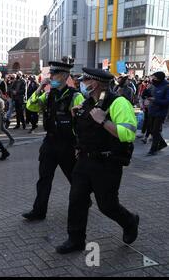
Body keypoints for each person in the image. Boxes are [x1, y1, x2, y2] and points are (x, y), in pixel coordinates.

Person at [56, 68, 139, 254]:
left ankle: (130, 221)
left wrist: (104, 121)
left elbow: (128, 134)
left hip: (107, 163)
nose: (81, 83)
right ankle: (75, 240)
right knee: (76, 200)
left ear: (94, 83)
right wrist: (74, 119)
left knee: (107, 205)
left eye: (84, 80)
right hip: (85, 161)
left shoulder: (118, 102)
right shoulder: (86, 104)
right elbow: (81, 133)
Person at [22, 59, 84, 221]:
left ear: (64, 76)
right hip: (50, 143)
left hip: (68, 145)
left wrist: (80, 146)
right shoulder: (48, 94)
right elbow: (31, 106)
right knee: (44, 178)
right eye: (51, 74)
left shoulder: (76, 97)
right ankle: (39, 211)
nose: (51, 77)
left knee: (74, 177)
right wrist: (40, 88)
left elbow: (83, 123)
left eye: (54, 74)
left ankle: (84, 200)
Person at [146, 71, 169, 156]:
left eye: (155, 78)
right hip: (152, 110)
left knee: (155, 131)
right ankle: (162, 143)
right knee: (152, 130)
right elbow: (150, 93)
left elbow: (167, 101)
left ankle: (153, 149)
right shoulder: (154, 85)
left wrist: (155, 100)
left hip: (160, 112)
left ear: (160, 79)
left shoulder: (167, 87)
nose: (153, 80)